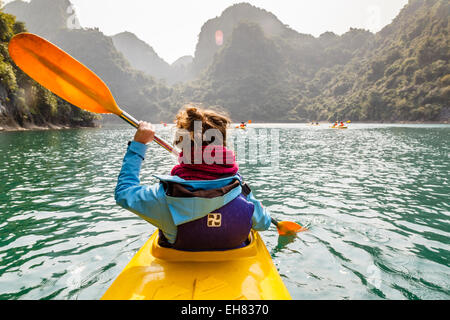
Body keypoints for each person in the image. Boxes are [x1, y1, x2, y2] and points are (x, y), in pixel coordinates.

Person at [115, 105, 272, 251]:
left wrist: (139, 145)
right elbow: (264, 223)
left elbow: (124, 193)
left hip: (177, 261)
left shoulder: (164, 197)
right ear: (222, 145)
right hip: (234, 261)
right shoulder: (241, 191)